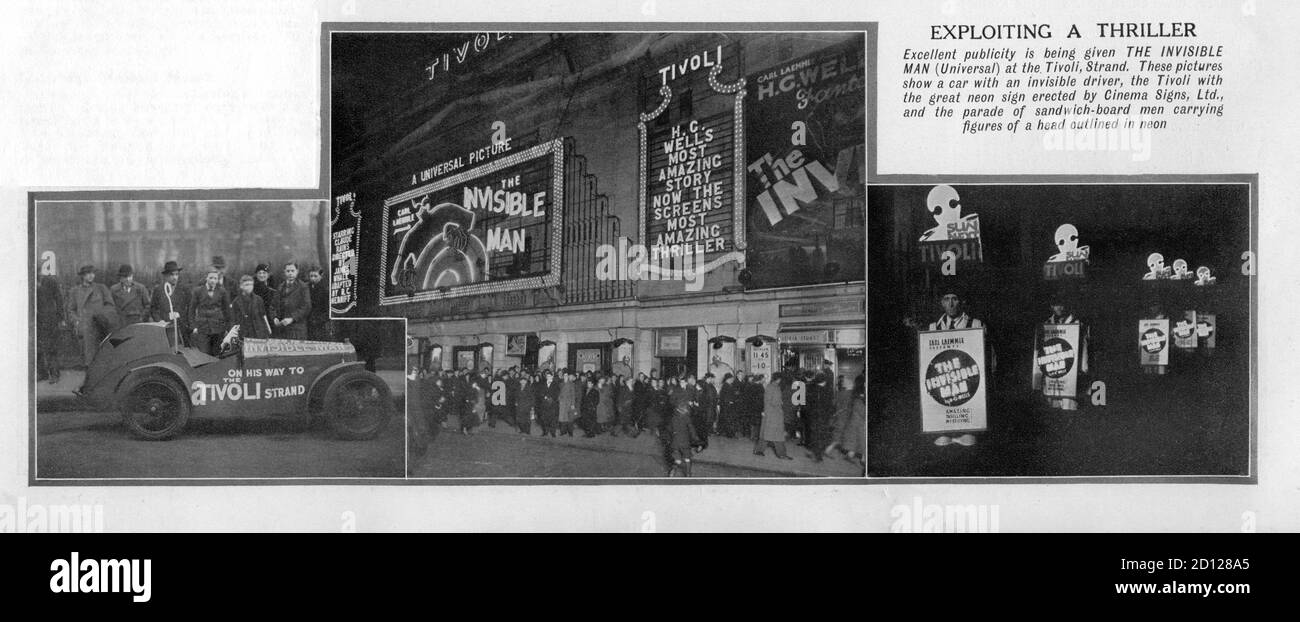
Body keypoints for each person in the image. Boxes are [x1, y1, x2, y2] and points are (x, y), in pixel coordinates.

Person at [925, 288, 987, 447]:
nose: (951, 303)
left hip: (967, 377)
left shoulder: (975, 324)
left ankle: (968, 430)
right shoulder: (933, 327)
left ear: (961, 302)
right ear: (941, 302)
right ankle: (944, 431)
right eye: (946, 299)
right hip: (945, 377)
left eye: (954, 298)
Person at [1036, 296, 1089, 410]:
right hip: (1052, 375)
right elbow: (1041, 349)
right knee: (1053, 409)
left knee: (1068, 407)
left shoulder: (1077, 323)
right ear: (1051, 307)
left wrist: (1084, 368)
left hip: (1071, 375)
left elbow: (1084, 347)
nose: (1058, 307)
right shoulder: (1047, 324)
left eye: (1061, 304)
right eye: (1055, 305)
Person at [67, 265, 117, 366]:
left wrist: (102, 316)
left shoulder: (101, 288)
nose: (91, 276)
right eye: (88, 273)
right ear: (82, 276)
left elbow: (110, 305)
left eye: (92, 273)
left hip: (100, 328)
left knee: (101, 359)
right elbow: (71, 310)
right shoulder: (75, 291)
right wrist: (77, 321)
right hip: (84, 329)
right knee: (88, 360)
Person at [189, 269, 232, 356]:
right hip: (203, 328)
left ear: (217, 280)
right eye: (211, 278)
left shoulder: (222, 291)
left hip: (218, 328)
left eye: (215, 278)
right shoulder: (198, 291)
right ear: (206, 278)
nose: (213, 280)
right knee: (204, 354)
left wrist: (228, 328)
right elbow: (191, 310)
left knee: (217, 354)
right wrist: (194, 326)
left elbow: (227, 311)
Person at [150, 261, 190, 347]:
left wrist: (180, 315)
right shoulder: (158, 290)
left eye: (176, 274)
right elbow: (153, 309)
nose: (175, 277)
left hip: (181, 329)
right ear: (165, 276)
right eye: (172, 275)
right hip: (165, 329)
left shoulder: (184, 289)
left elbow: (191, 308)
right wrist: (159, 320)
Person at [666, 376, 701, 477]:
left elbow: (695, 399)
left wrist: (692, 404)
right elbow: (671, 402)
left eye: (683, 382)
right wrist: (682, 405)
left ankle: (677, 469)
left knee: (686, 433)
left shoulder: (690, 389)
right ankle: (685, 471)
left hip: (687, 414)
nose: (682, 383)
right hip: (679, 415)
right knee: (684, 438)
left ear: (686, 383)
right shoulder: (676, 390)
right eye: (680, 382)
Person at [36, 272, 65, 383]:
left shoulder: (50, 281)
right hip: (36, 319)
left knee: (51, 347)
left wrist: (61, 318)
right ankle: (42, 373)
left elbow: (59, 299)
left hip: (50, 319)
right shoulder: (29, 281)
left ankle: (55, 374)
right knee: (37, 347)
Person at [272, 262, 311, 340]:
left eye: (292, 271)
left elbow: (306, 307)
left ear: (297, 271)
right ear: (284, 272)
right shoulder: (280, 287)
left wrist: (292, 318)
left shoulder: (303, 287)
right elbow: (273, 306)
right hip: (282, 329)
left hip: (297, 329)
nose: (290, 273)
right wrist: (275, 317)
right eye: (288, 271)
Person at [230, 275, 272, 339]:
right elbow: (233, 320)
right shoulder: (236, 302)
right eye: (247, 285)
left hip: (258, 332)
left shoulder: (258, 299)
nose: (249, 287)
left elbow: (263, 316)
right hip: (244, 333)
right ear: (241, 286)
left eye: (251, 285)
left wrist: (268, 330)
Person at [306, 267, 331, 340]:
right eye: (311, 276)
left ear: (321, 276)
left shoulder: (325, 290)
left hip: (320, 323)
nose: (313, 278)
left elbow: (328, 310)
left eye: (315, 276)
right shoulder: (306, 288)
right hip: (308, 322)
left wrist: (319, 320)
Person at [694, 373, 717, 451]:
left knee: (701, 430)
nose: (696, 386)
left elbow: (704, 403)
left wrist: (697, 404)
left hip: (702, 414)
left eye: (697, 385)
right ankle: (703, 444)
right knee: (702, 430)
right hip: (703, 413)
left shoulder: (703, 393)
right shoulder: (702, 391)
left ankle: (701, 445)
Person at [535, 369, 561, 437]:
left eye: (550, 376)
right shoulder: (543, 384)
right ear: (546, 377)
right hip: (544, 404)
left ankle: (553, 432)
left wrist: (551, 398)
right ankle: (545, 432)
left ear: (552, 377)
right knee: (544, 418)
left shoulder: (555, 384)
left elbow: (557, 393)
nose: (548, 377)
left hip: (552, 404)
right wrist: (545, 397)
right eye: (547, 376)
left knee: (552, 419)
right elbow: (540, 392)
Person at [557, 370, 578, 437]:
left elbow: (573, 395)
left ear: (568, 376)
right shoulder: (561, 384)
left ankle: (570, 432)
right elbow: (559, 393)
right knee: (562, 419)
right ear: (563, 376)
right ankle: (563, 431)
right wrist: (559, 399)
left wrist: (572, 404)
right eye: (564, 376)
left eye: (567, 376)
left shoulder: (572, 384)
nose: (565, 377)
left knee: (570, 419)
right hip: (562, 403)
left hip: (569, 403)